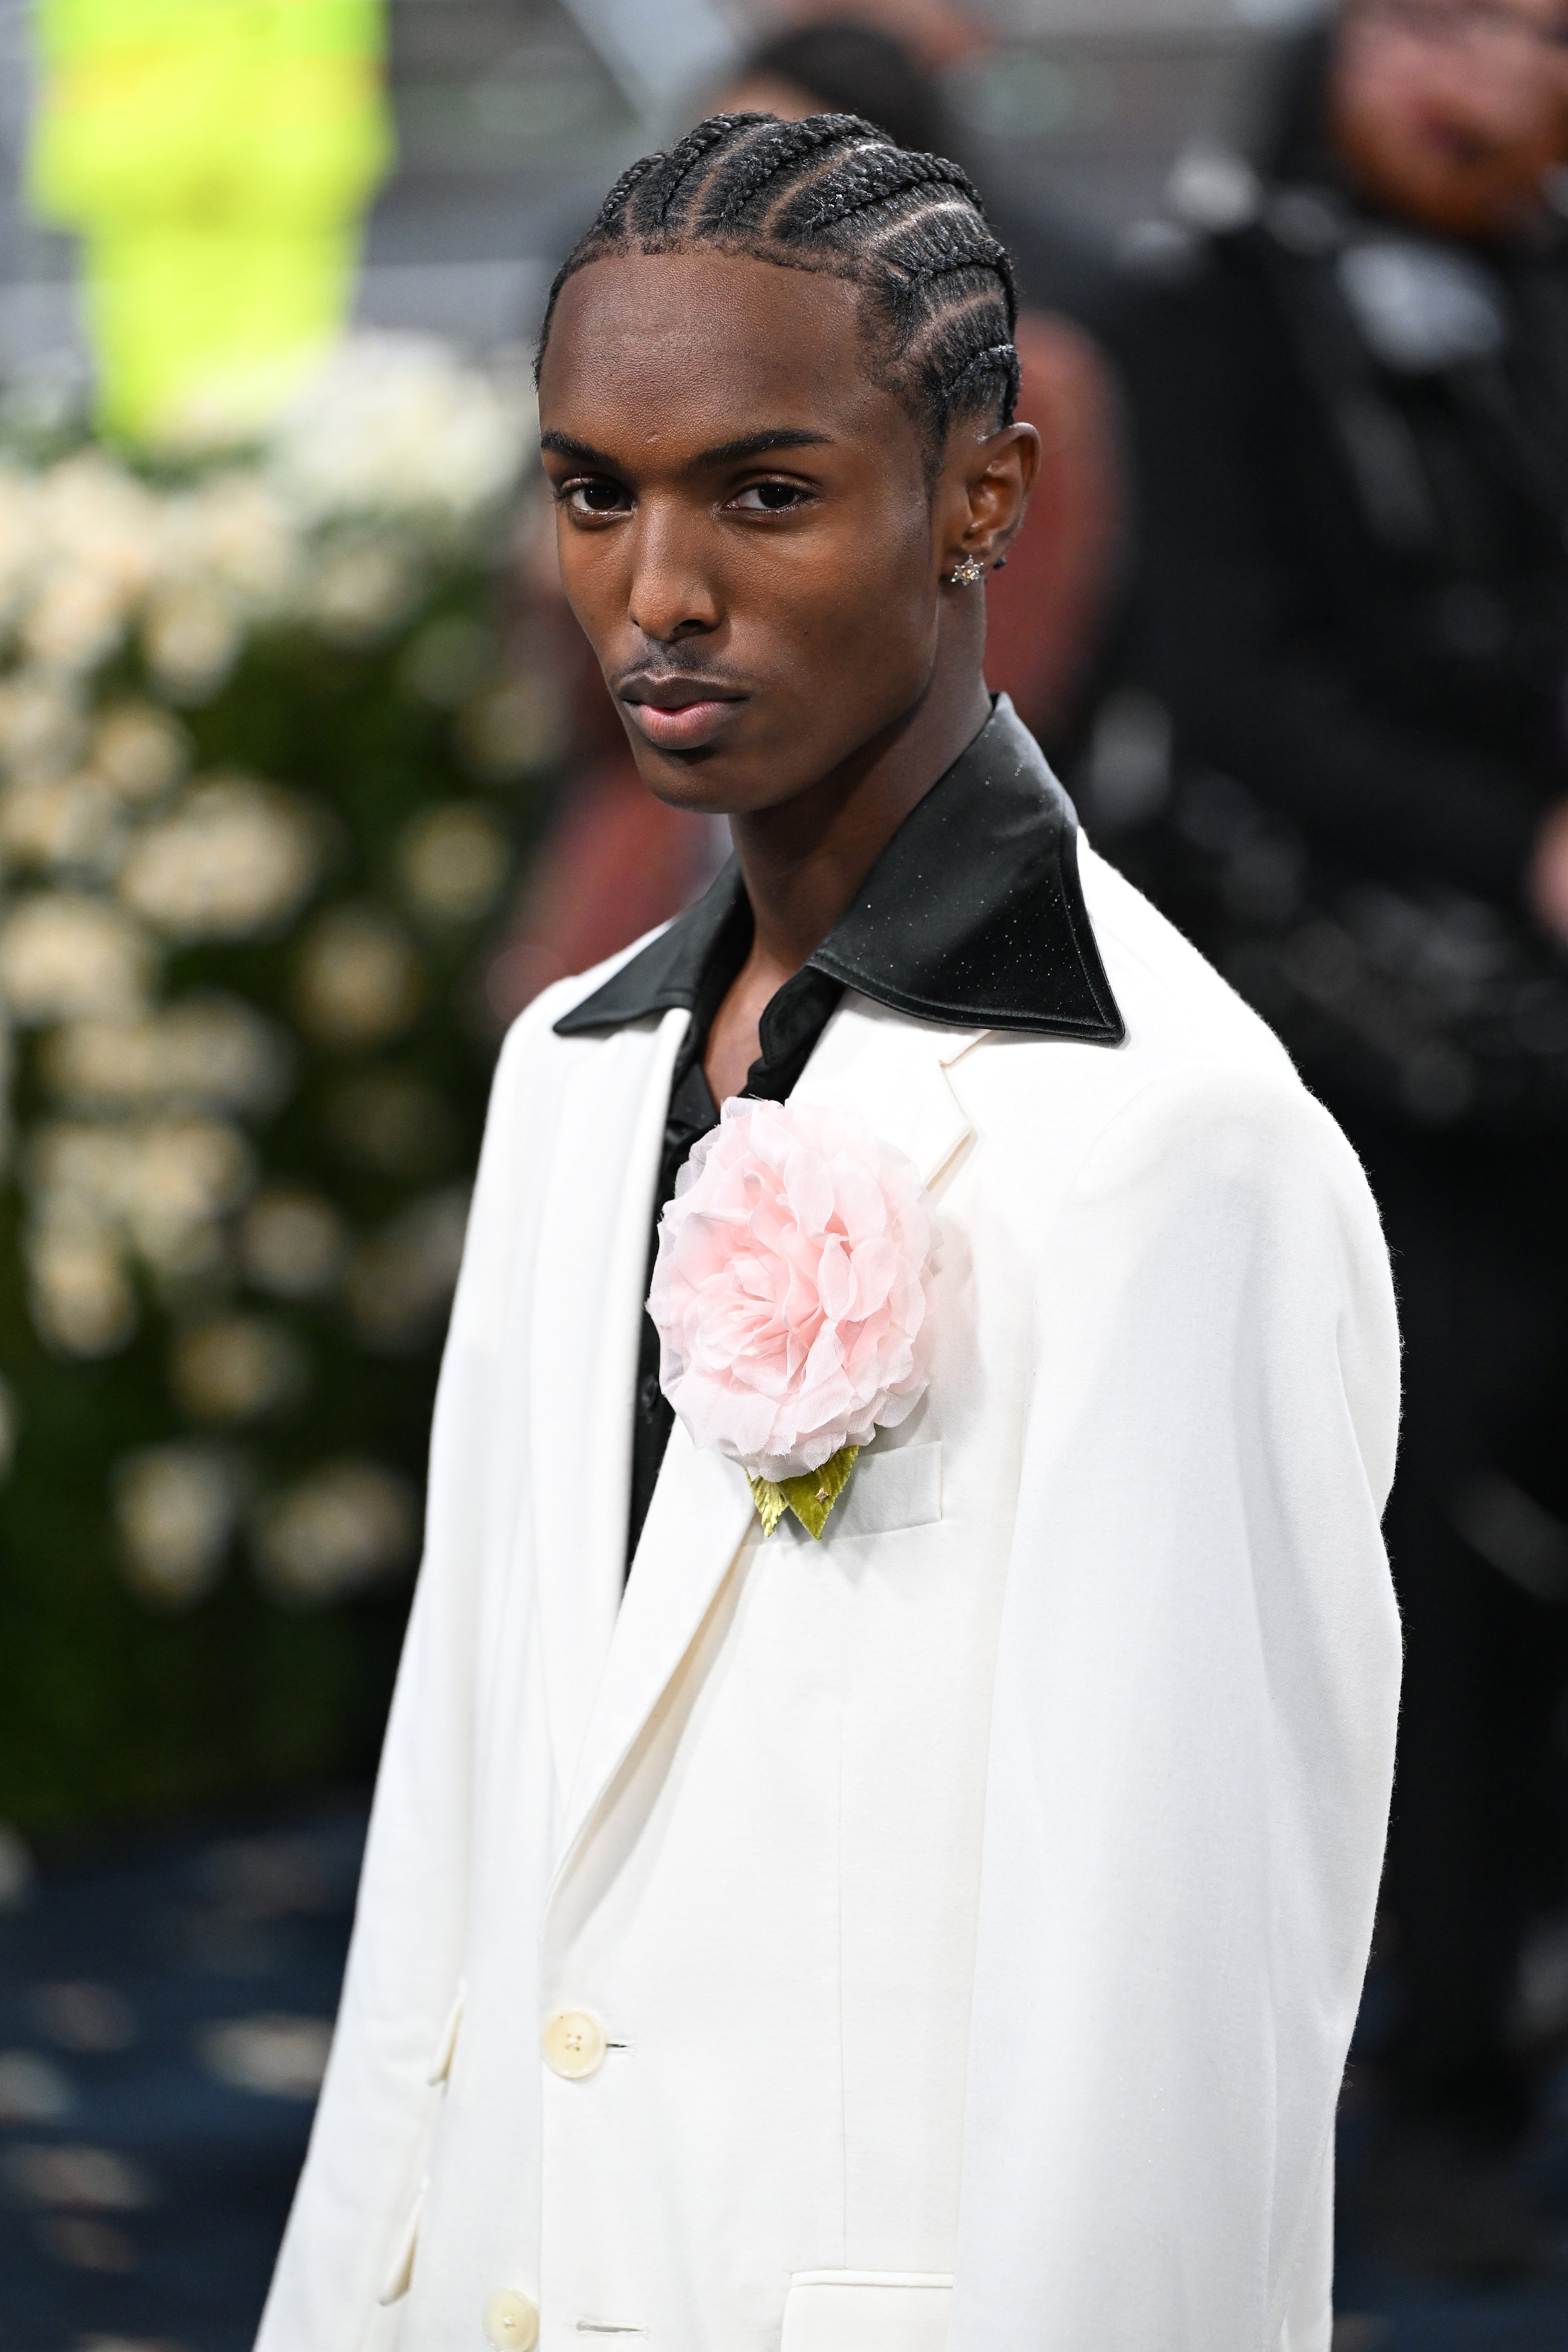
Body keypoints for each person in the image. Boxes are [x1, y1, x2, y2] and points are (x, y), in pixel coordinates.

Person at [258, 113, 1400, 2352]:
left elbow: (1169, 2024)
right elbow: (464, 1846)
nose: (656, 588)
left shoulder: (1173, 1144)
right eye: (596, 489)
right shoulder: (570, 1078)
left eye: (762, 492)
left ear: (985, 491)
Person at [1100, 0, 1568, 2270]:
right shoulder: (1211, 314)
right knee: (1436, 1562)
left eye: (1539, 33)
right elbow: (1230, 677)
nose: (1478, 87)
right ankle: (1430, 2090)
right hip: (1340, 1043)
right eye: (1434, 25)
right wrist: (1521, 850)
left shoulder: (1545, 292)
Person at [492, 17, 1122, 1023]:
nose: (730, 219)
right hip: (644, 911)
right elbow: (588, 701)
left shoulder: (1022, 389)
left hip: (915, 933)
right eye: (708, 166)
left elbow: (1007, 683)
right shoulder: (629, 377)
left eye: (788, 180)